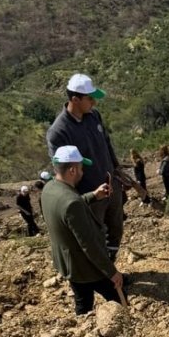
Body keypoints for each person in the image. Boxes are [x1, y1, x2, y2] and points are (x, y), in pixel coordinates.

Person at [47, 73, 124, 262]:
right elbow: (62, 172)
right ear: (75, 99)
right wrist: (84, 197)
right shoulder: (59, 132)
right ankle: (104, 276)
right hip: (90, 195)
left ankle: (111, 266)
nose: (94, 103)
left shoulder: (93, 116)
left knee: (115, 229)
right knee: (94, 237)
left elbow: (106, 143)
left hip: (110, 186)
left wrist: (116, 170)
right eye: (90, 98)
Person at [40, 145, 124, 315]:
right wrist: (112, 272)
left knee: (83, 303)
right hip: (86, 268)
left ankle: (83, 325)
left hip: (68, 264)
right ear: (72, 170)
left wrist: (93, 195)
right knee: (118, 300)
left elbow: (67, 209)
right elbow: (89, 245)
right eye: (80, 168)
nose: (82, 172)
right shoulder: (72, 202)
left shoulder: (49, 188)